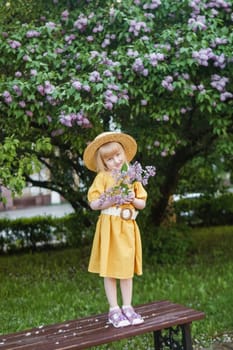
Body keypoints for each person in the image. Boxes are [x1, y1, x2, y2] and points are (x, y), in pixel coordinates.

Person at [83, 131, 147, 328]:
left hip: (127, 227)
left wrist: (133, 200)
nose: (116, 161)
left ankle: (128, 306)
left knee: (126, 271)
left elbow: (142, 203)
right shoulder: (102, 178)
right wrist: (110, 198)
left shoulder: (132, 175)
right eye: (109, 159)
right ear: (103, 162)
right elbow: (93, 203)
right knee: (109, 270)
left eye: (118, 155)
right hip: (109, 228)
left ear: (124, 154)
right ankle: (114, 309)